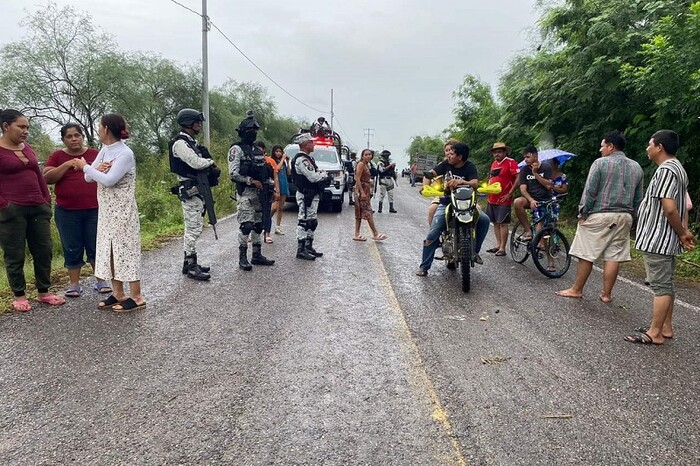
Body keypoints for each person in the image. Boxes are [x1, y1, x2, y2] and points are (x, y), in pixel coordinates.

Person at [624, 130, 695, 345]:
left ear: (659, 147)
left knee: (661, 286)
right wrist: (683, 231)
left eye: (650, 144)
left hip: (659, 238)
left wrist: (683, 232)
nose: (647, 148)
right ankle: (665, 326)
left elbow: (670, 208)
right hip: (666, 238)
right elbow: (683, 206)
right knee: (667, 284)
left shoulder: (666, 170)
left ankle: (654, 333)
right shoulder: (678, 168)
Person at [555, 131, 644, 302]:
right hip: (625, 216)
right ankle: (606, 294)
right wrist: (634, 218)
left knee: (586, 253)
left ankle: (576, 289)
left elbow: (590, 191)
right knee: (613, 256)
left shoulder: (600, 163)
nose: (600, 149)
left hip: (600, 215)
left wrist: (583, 213)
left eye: (602, 145)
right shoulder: (636, 167)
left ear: (611, 146)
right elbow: (638, 199)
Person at [74, 114, 145, 312]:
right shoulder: (106, 150)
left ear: (106, 129)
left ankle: (137, 296)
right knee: (110, 251)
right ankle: (118, 293)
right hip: (106, 211)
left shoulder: (124, 153)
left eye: (99, 126)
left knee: (126, 250)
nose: (98, 129)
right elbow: (89, 178)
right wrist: (96, 168)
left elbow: (108, 180)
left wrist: (86, 166)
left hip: (122, 211)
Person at [0, 109, 65, 312]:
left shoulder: (27, 148)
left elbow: (38, 174)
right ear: (5, 126)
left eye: (27, 127)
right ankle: (19, 295)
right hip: (12, 210)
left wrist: (46, 200)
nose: (26, 131)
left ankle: (43, 292)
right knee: (15, 253)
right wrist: (4, 205)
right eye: (21, 127)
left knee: (44, 250)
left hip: (37, 207)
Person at [44, 123, 111, 297]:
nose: (74, 139)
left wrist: (86, 166)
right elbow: (47, 178)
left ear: (82, 136)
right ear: (63, 139)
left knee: (96, 244)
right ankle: (74, 284)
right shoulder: (57, 156)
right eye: (69, 136)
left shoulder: (95, 153)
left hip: (95, 209)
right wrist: (67, 165)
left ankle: (101, 280)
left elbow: (108, 173)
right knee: (71, 246)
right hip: (67, 210)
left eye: (77, 135)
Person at [416, 142, 490, 276]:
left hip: (468, 204)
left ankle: (475, 252)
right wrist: (425, 187)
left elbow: (474, 183)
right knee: (434, 232)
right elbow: (429, 174)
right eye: (448, 153)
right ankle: (424, 266)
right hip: (447, 203)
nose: (449, 155)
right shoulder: (445, 165)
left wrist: (463, 182)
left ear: (460, 156)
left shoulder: (469, 166)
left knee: (484, 220)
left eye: (452, 153)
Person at [169, 108, 220, 281]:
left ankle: (189, 262)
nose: (199, 125)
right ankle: (191, 264)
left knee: (196, 226)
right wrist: (210, 162)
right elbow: (196, 163)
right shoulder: (180, 143)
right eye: (197, 122)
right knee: (193, 229)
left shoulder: (192, 143)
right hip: (190, 190)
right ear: (188, 123)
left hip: (198, 190)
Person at [228, 111, 275, 271]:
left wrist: (272, 188)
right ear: (242, 132)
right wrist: (250, 181)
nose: (253, 134)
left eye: (255, 131)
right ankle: (242, 258)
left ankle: (256, 254)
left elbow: (264, 172)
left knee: (258, 225)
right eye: (250, 131)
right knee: (246, 225)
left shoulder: (257, 150)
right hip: (246, 193)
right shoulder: (236, 149)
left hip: (261, 194)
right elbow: (233, 173)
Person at [291, 133, 332, 260]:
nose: (313, 144)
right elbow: (313, 177)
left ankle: (309, 246)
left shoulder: (309, 159)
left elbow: (316, 172)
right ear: (306, 144)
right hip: (305, 194)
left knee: (312, 221)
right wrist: (325, 176)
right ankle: (301, 249)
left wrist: (321, 174)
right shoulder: (301, 160)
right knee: (303, 221)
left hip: (312, 194)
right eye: (311, 142)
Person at [513, 146, 553, 246]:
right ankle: (528, 231)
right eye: (524, 157)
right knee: (517, 202)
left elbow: (548, 185)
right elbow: (523, 189)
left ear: (535, 156)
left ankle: (540, 244)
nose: (525, 160)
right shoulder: (524, 170)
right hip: (531, 199)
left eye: (527, 157)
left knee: (541, 224)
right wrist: (531, 200)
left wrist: (535, 173)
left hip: (544, 199)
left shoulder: (546, 167)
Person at [485, 142, 520, 256]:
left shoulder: (511, 162)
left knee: (503, 223)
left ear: (505, 152)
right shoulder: (494, 164)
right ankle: (498, 244)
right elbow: (491, 178)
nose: (497, 154)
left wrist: (510, 193)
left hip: (504, 197)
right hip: (492, 197)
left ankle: (502, 248)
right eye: (495, 152)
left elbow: (518, 178)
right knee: (495, 222)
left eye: (499, 152)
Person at [353, 149, 387, 241]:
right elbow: (357, 178)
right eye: (366, 154)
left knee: (359, 213)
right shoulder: (360, 164)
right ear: (362, 156)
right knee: (368, 212)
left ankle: (357, 234)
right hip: (361, 191)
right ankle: (375, 233)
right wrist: (362, 192)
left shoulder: (367, 165)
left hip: (366, 190)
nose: (368, 156)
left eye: (369, 154)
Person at [427, 139, 458, 225]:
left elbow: (473, 181)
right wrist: (426, 187)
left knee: (477, 210)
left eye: (451, 150)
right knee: (432, 209)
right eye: (446, 150)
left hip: (461, 196)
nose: (449, 153)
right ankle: (433, 234)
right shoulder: (443, 164)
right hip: (444, 194)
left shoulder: (465, 164)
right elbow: (431, 175)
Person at [255, 141, 280, 244]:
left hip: (268, 189)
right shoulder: (252, 160)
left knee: (267, 212)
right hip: (255, 190)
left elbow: (275, 176)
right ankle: (253, 234)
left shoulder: (270, 161)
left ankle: (267, 234)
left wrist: (277, 190)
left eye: (260, 148)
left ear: (264, 149)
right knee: (254, 213)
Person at [270, 144, 289, 235]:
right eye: (277, 151)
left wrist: (288, 162)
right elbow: (277, 168)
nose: (278, 153)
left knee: (280, 208)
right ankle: (264, 223)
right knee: (274, 207)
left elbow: (289, 172)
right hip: (276, 185)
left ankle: (278, 226)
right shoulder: (272, 161)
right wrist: (282, 159)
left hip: (284, 184)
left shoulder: (283, 162)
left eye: (280, 151)